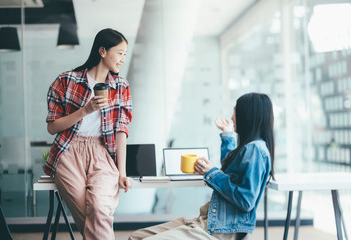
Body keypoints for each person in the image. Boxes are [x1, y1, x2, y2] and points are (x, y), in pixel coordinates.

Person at [129, 92, 275, 240]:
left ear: (248, 116)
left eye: (235, 112)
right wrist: (227, 135)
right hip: (208, 222)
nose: (232, 117)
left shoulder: (255, 149)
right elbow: (231, 170)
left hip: (222, 231)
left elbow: (246, 200)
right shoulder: (250, 147)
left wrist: (211, 173)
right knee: (136, 237)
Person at [45, 28, 133, 240]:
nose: (122, 59)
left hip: (102, 152)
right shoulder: (66, 80)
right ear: (102, 51)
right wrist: (85, 110)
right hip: (68, 151)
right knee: (90, 215)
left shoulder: (121, 86)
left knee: (100, 209)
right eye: (119, 52)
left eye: (125, 54)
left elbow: (122, 130)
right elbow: (52, 127)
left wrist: (122, 171)